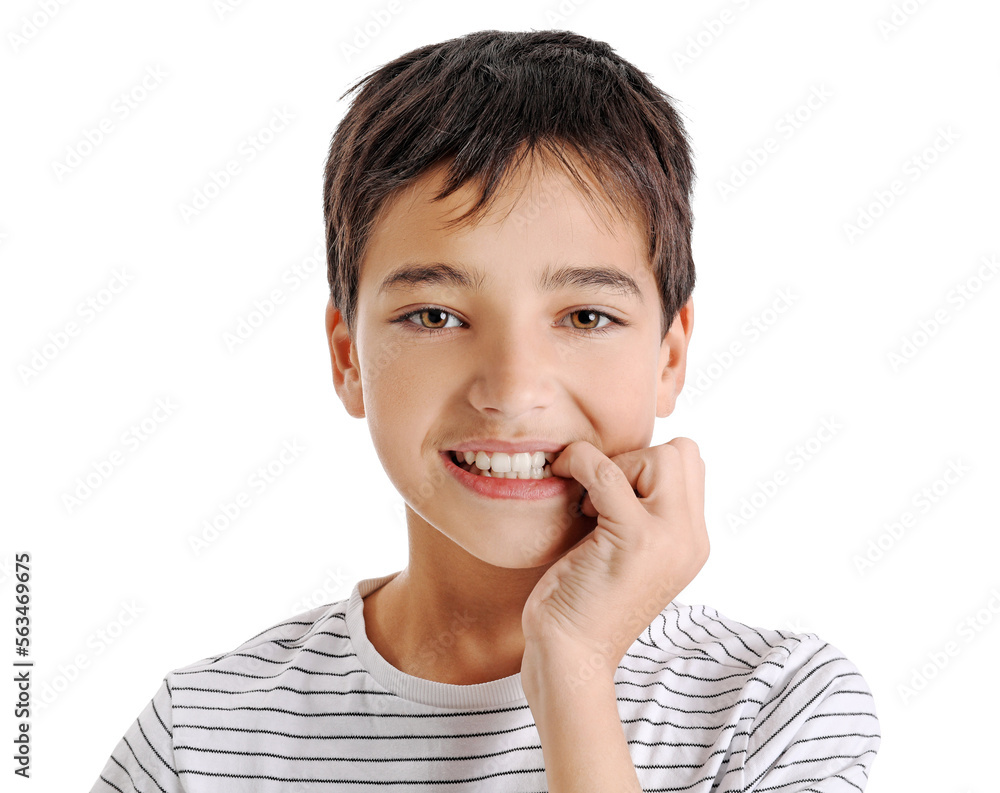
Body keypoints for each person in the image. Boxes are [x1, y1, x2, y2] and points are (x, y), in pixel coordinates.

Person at [89, 29, 880, 792]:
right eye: (435, 315)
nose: (511, 388)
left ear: (669, 355)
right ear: (346, 357)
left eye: (585, 317)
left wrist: (572, 665)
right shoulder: (201, 739)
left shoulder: (773, 714)